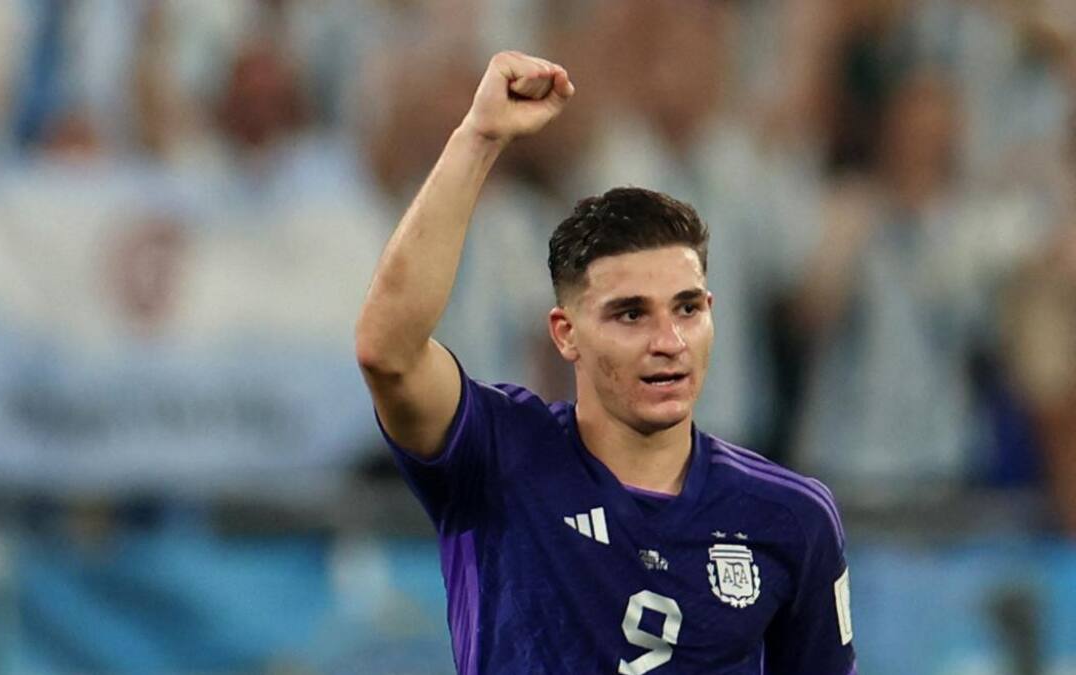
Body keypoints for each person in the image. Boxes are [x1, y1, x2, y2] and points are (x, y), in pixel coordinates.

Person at [355, 51, 858, 674]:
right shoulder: (498, 456)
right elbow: (389, 353)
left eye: (686, 309)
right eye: (630, 314)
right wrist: (479, 138)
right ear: (566, 334)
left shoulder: (790, 518)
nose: (668, 339)